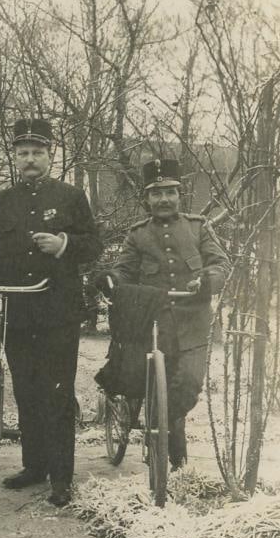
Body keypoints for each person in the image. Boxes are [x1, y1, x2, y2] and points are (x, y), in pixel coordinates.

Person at [0, 118, 101, 507]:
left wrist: (64, 244)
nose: (30, 159)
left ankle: (61, 478)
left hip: (57, 311)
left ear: (50, 156)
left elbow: (94, 246)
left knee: (57, 394)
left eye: (37, 152)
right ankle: (34, 466)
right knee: (25, 389)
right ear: (15, 158)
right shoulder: (3, 201)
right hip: (16, 309)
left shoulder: (70, 197)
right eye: (23, 153)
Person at [96, 157, 229, 469]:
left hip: (193, 324)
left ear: (180, 194)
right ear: (147, 198)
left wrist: (207, 281)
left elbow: (221, 263)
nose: (164, 199)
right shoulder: (138, 234)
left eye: (170, 191)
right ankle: (174, 461)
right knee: (160, 383)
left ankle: (160, 429)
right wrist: (112, 280)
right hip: (155, 324)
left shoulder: (199, 227)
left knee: (189, 384)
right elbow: (124, 271)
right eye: (156, 193)